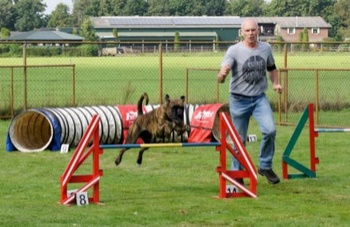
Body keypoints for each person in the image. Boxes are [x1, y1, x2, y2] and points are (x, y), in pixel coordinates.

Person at [217, 18, 282, 184]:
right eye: (247, 31)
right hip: (239, 99)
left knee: (270, 130)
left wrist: (275, 83)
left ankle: (265, 165)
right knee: (239, 139)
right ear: (242, 32)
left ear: (258, 31)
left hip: (259, 98)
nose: (251, 34)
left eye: (253, 30)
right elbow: (222, 75)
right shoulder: (234, 50)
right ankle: (237, 175)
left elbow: (272, 68)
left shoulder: (266, 48)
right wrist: (222, 74)